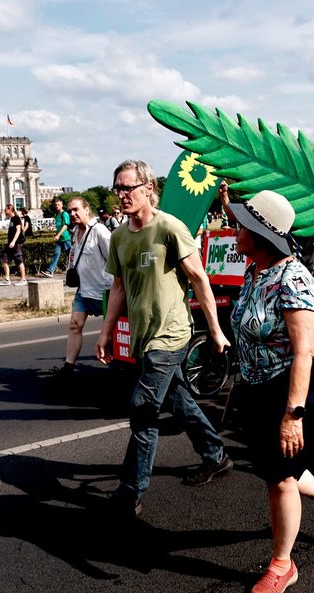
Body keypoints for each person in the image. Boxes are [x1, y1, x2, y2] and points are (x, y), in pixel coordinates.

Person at [222, 187, 314, 593]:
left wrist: (293, 417)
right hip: (261, 381)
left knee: (279, 477)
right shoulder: (255, 268)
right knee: (278, 467)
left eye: (241, 225)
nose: (234, 229)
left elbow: (303, 354)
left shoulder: (293, 279)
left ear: (260, 234)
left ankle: (282, 565)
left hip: (298, 385)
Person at [96, 159, 233, 516]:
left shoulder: (170, 227)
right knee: (178, 399)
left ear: (148, 189)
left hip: (171, 334)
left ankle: (131, 490)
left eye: (128, 188)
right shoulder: (120, 236)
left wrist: (216, 330)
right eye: (118, 188)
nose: (122, 195)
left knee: (143, 407)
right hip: (143, 336)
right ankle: (215, 454)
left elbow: (199, 278)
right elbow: (119, 286)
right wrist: (106, 332)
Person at [52, 197, 112, 380]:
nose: (72, 214)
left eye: (76, 209)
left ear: (87, 209)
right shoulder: (77, 231)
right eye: (70, 211)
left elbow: (115, 260)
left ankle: (118, 365)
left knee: (111, 331)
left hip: (104, 291)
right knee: (74, 325)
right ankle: (68, 368)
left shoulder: (100, 231)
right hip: (83, 290)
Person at [40, 198, 71, 278]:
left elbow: (65, 225)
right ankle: (50, 271)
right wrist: (55, 234)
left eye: (58, 204)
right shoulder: (57, 215)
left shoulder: (64, 214)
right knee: (56, 254)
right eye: (56, 205)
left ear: (62, 205)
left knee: (71, 256)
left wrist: (58, 235)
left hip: (65, 238)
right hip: (59, 239)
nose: (57, 206)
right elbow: (58, 226)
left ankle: (76, 270)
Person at [0, 204, 27, 286]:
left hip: (16, 243)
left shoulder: (16, 218)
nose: (4, 211)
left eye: (5, 209)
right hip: (10, 243)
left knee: (19, 260)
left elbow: (18, 231)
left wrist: (13, 241)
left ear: (10, 210)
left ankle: (23, 279)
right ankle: (7, 279)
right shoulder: (12, 219)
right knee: (4, 259)